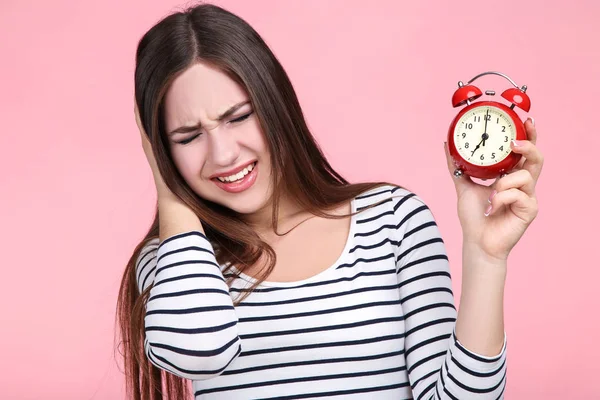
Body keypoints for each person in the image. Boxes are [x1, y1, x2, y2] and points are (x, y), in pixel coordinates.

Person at [116, 3, 543, 399]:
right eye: (187, 137)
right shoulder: (173, 260)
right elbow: (200, 351)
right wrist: (168, 190)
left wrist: (486, 258)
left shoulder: (393, 221)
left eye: (239, 116)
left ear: (275, 102)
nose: (223, 154)